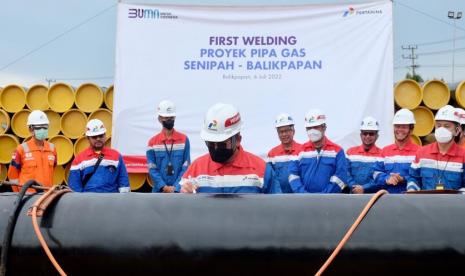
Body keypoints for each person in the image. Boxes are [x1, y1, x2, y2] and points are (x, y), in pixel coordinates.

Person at [180, 103, 280, 193]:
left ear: (238, 140)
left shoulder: (261, 170)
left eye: (221, 144)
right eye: (210, 143)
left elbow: (277, 207)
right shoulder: (196, 168)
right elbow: (179, 206)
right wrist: (184, 193)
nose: (215, 148)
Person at [288, 109, 349, 193]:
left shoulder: (337, 151)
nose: (312, 131)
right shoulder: (299, 152)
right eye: (309, 128)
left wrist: (323, 196)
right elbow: (293, 176)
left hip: (329, 202)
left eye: (315, 127)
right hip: (304, 202)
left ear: (324, 127)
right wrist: (303, 195)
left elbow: (341, 178)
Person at [407, 105, 465, 191]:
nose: (442, 129)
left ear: (457, 131)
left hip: (453, 204)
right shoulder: (422, 153)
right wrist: (412, 190)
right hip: (426, 204)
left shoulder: (463, 156)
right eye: (438, 125)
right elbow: (413, 178)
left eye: (447, 126)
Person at [68, 119, 130, 193]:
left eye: (101, 136)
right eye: (94, 137)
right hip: (89, 203)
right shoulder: (79, 160)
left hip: (111, 202)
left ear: (105, 135)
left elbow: (124, 183)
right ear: (88, 138)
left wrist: (122, 201)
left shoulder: (116, 156)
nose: (98, 139)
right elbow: (74, 187)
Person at [146, 100, 191, 193]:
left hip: (178, 192)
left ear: (175, 117)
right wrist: (163, 186)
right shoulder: (152, 142)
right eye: (166, 117)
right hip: (159, 192)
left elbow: (186, 167)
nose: (169, 120)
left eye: (171, 117)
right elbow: (152, 168)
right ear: (159, 119)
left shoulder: (184, 140)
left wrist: (176, 187)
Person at [372, 108, 420, 193]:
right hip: (387, 200)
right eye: (397, 126)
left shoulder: (419, 152)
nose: (400, 130)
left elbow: (421, 176)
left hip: (410, 200)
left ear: (411, 130)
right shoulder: (385, 151)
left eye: (404, 127)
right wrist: (387, 179)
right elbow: (375, 173)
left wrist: (403, 179)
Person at [8, 110, 57, 192]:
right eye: (39, 127)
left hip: (47, 195)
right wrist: (18, 194)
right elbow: (12, 175)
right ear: (31, 129)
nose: (42, 129)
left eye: (44, 127)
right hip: (27, 197)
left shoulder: (52, 149)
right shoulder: (21, 149)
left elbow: (52, 170)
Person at [266, 113, 301, 193]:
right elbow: (270, 180)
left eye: (286, 131)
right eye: (281, 132)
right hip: (280, 199)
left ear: (293, 131)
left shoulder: (302, 151)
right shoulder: (272, 154)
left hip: (300, 197)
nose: (284, 134)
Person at [346, 116, 382, 194]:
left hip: (373, 197)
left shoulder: (382, 155)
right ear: (361, 135)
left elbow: (380, 178)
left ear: (377, 136)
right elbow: (345, 173)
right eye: (365, 133)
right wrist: (354, 187)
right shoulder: (350, 152)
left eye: (371, 133)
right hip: (352, 196)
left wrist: (364, 188)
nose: (367, 136)